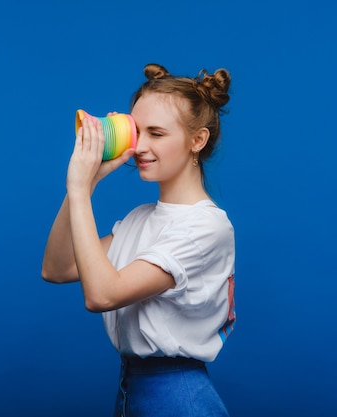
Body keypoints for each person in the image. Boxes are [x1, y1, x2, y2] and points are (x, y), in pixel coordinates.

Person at [42, 63, 236, 417]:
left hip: (177, 395)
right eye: (137, 131)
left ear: (198, 140)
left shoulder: (206, 227)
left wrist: (79, 188)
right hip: (132, 388)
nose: (141, 147)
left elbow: (102, 295)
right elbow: (57, 268)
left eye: (157, 133)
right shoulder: (139, 218)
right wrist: (85, 186)